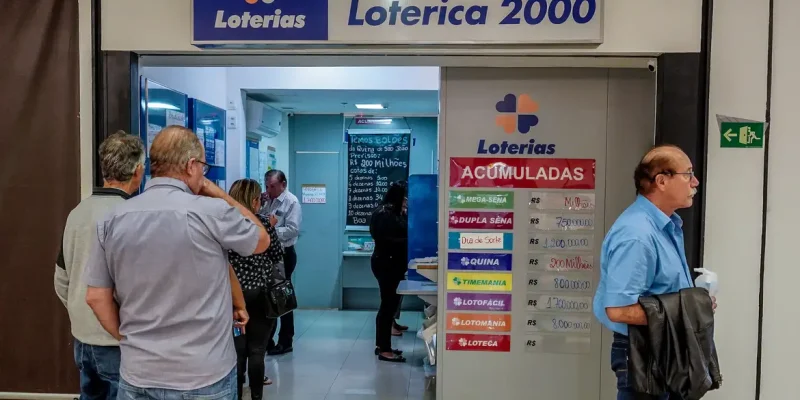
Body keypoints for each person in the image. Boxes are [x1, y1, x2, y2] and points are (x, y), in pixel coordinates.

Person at [83, 125, 271, 400]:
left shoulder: (112, 219)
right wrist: (215, 191)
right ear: (191, 165)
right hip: (204, 375)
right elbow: (262, 239)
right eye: (203, 168)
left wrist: (130, 342)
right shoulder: (211, 212)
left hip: (138, 374)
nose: (204, 174)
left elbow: (96, 297)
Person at [593, 144, 715, 400]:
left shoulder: (665, 225)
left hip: (666, 350)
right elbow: (618, 309)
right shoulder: (637, 235)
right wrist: (686, 312)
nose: (695, 182)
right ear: (661, 181)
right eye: (688, 174)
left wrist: (695, 305)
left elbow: (664, 294)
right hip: (645, 354)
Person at [54, 131, 144, 400]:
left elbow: (61, 279)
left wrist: (82, 314)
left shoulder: (77, 213)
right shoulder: (132, 216)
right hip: (117, 342)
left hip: (82, 339)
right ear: (138, 171)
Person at [227, 179, 285, 400]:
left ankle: (236, 394)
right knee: (257, 350)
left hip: (233, 296)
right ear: (253, 201)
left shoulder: (224, 224)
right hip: (261, 293)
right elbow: (276, 254)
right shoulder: (262, 224)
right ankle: (257, 396)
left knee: (237, 352)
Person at [260, 169, 302, 356]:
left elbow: (293, 229)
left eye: (272, 186)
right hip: (267, 253)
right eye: (267, 186)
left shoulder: (291, 202)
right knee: (267, 296)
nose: (269, 190)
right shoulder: (266, 200)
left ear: (283, 184)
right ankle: (267, 340)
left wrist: (269, 230)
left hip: (284, 254)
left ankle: (286, 341)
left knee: (282, 296)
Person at [369, 181, 408, 363]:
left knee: (388, 305)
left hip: (386, 262)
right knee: (388, 306)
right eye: (405, 198)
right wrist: (408, 239)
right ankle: (385, 349)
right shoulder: (386, 214)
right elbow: (387, 239)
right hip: (387, 263)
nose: (407, 201)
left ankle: (383, 345)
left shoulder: (386, 211)